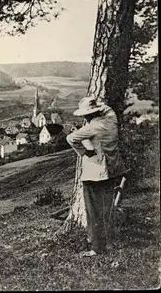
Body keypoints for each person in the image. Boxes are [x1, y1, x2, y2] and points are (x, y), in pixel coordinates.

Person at [66, 97, 126, 256]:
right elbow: (107, 109)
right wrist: (95, 105)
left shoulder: (92, 128)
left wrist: (85, 152)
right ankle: (109, 243)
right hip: (111, 172)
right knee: (107, 210)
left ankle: (96, 247)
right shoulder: (111, 121)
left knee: (93, 213)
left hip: (94, 174)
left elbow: (70, 138)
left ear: (87, 116)